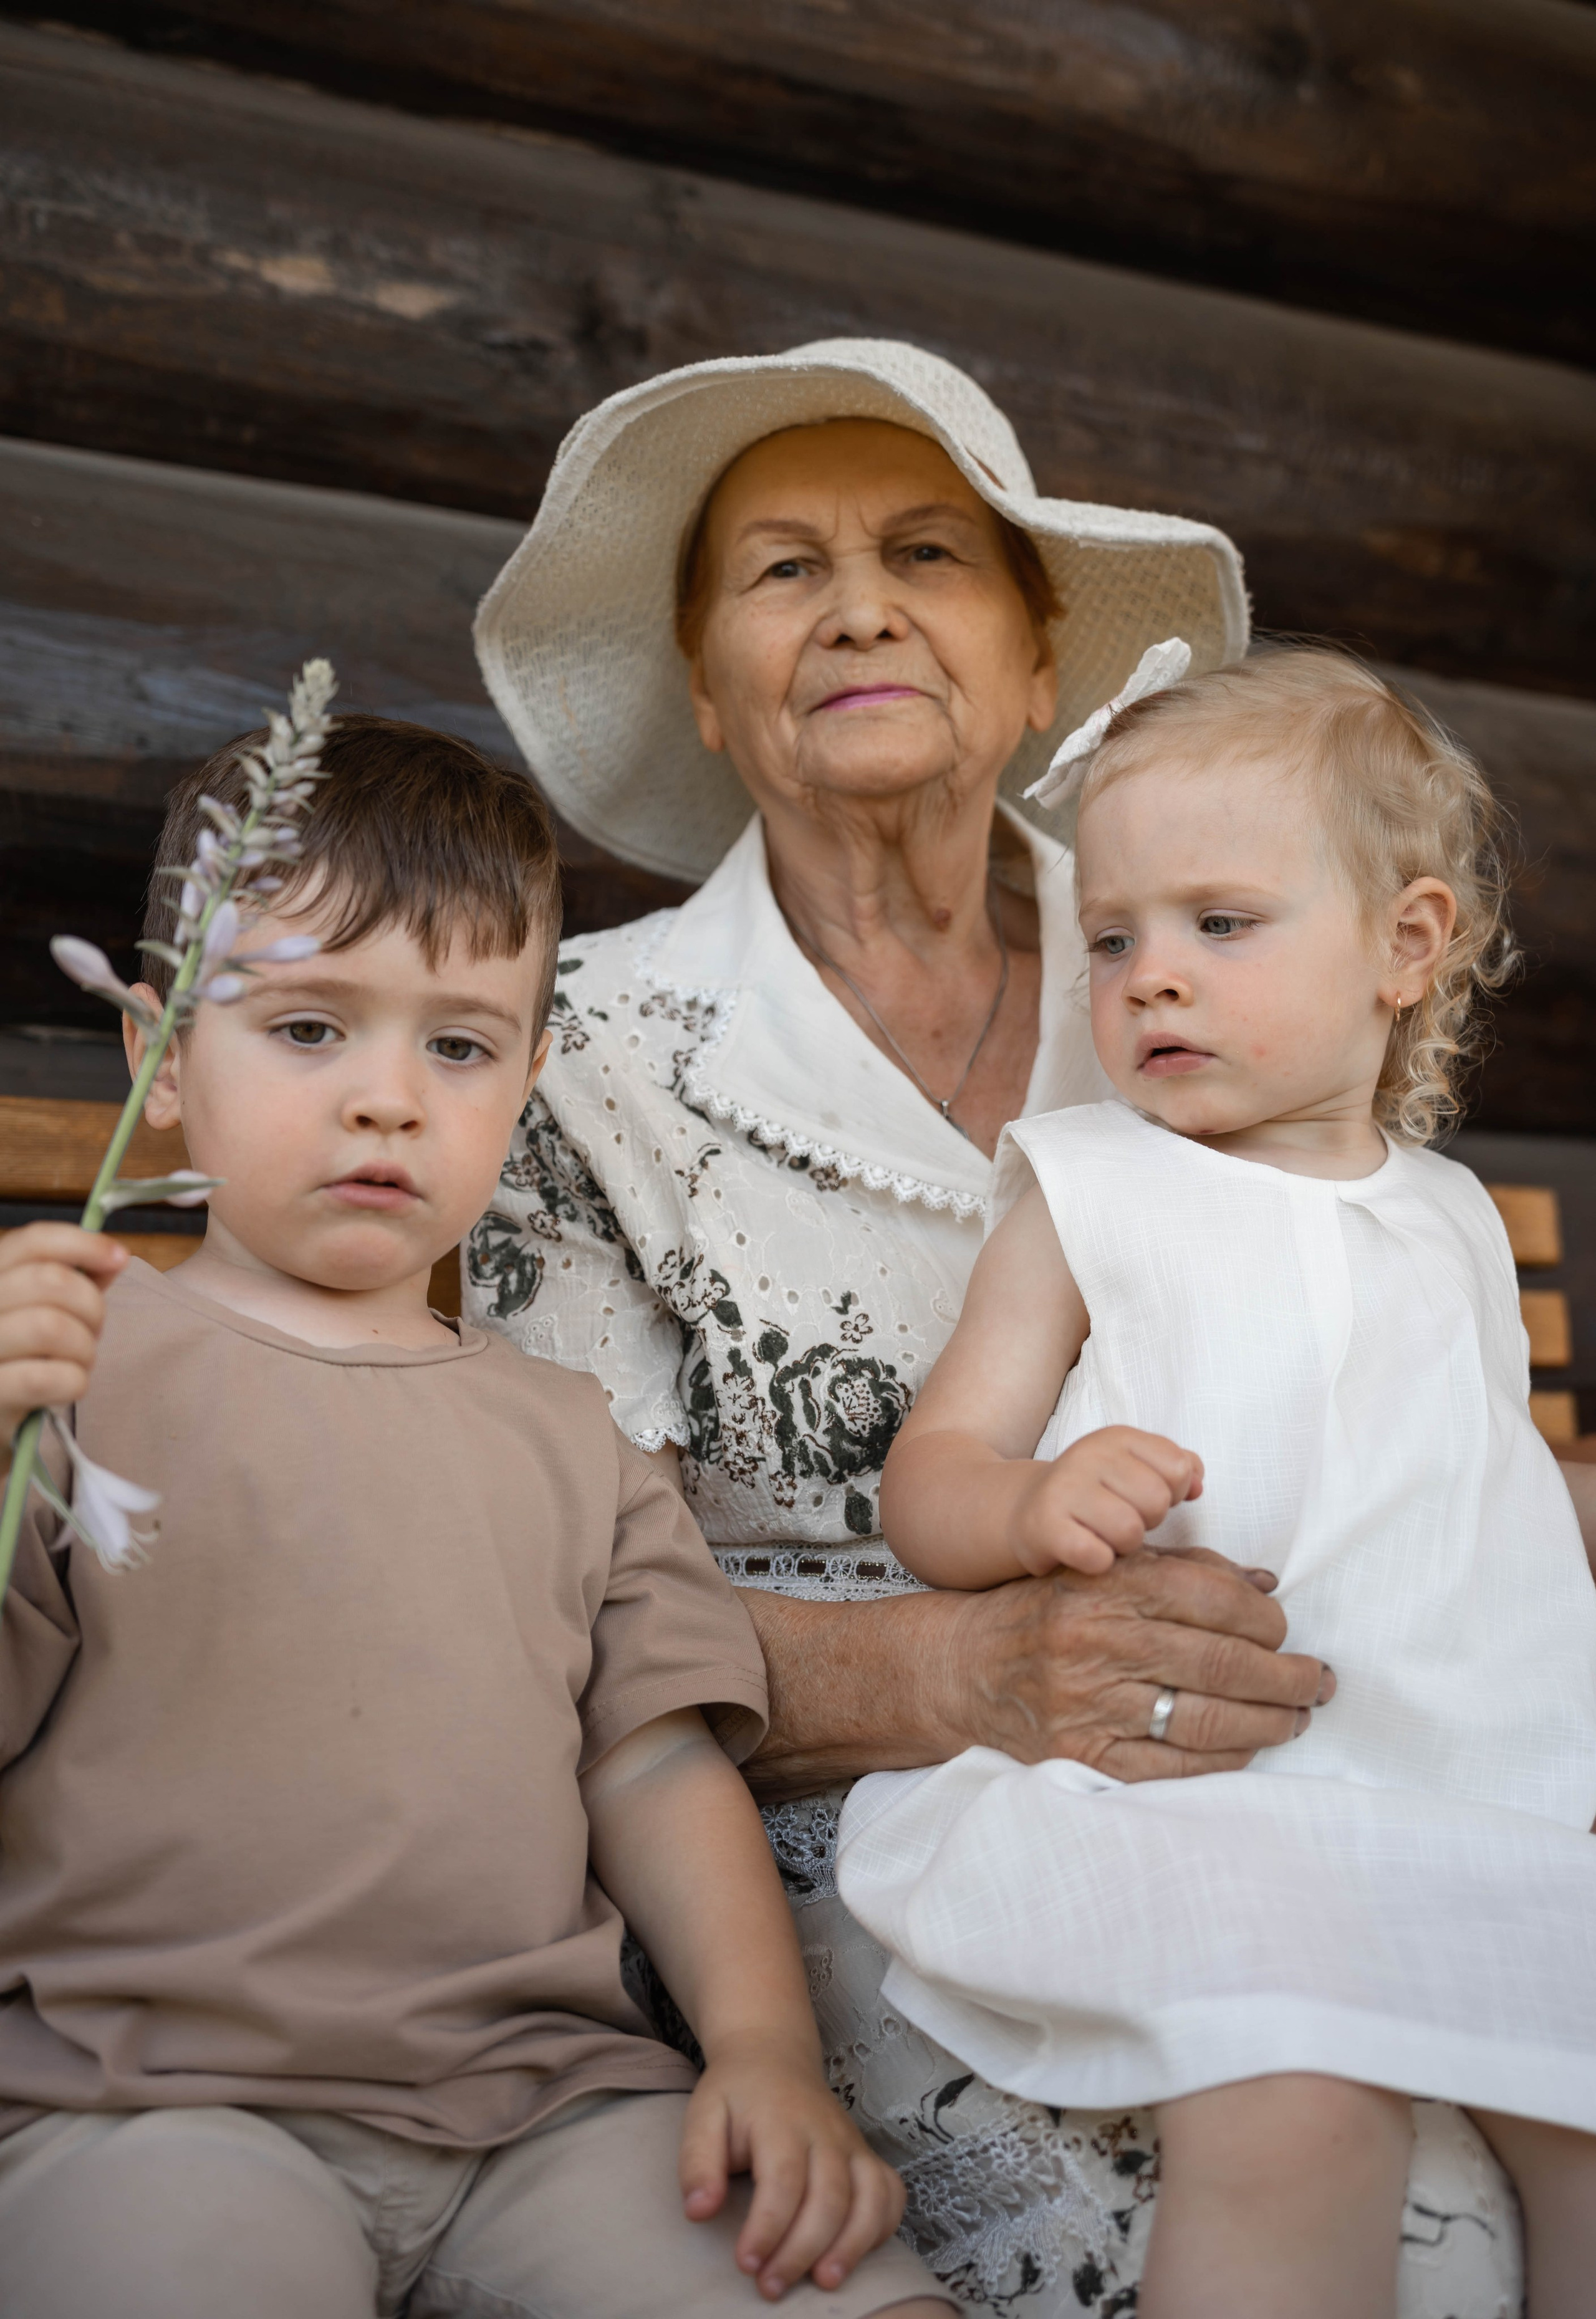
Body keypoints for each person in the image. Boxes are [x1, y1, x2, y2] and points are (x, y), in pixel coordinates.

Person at [466, 340, 1563, 2310]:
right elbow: (560, 1618)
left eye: (925, 553)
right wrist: (970, 1671)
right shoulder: (591, 1061)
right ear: (711, 692)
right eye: (783, 571)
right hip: (844, 1840)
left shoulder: (1213, 945)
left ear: (1041, 666)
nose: (862, 605)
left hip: (1340, 1773)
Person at [0, 716, 949, 2319]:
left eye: (457, 1046)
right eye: (309, 1028)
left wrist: (765, 2053)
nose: (387, 1100)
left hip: (551, 2105)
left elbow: (652, 1762)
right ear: (158, 1062)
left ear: (523, 1077)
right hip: (153, 2094)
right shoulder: (74, 1361)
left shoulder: (565, 1436)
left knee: (844, 2295)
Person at [837, 648, 1596, 2319]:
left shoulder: (1453, 1220)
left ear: (1406, 946)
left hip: (1449, 1788)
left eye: (1219, 925)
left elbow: (1482, 1504)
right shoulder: (1094, 1190)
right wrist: (1032, 1510)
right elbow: (937, 1477)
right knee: (1296, 2115)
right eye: (1115, 939)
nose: (1151, 979)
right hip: (1198, 1802)